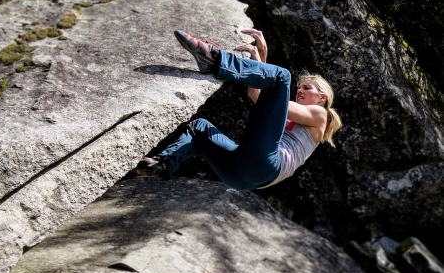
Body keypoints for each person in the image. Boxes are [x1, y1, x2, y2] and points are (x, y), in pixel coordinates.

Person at [135, 29, 342, 191]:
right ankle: (161, 164)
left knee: (282, 76)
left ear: (322, 98)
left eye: (307, 88)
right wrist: (261, 61)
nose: (299, 91)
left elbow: (275, 99)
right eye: (299, 88)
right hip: (242, 178)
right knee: (199, 127)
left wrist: (264, 67)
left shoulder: (320, 115)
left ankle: (215, 59)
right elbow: (257, 96)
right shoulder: (296, 117)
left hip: (266, 165)